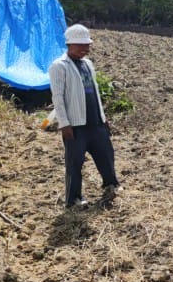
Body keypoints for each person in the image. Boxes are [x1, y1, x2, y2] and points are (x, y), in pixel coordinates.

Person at [48, 24, 121, 209]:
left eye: (87, 45)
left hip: (95, 122)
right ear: (69, 44)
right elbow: (57, 97)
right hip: (75, 125)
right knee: (75, 163)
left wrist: (103, 117)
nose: (84, 49)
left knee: (106, 154)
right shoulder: (59, 66)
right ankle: (74, 198)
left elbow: (95, 92)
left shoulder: (87, 64)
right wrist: (64, 123)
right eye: (80, 45)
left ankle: (111, 184)